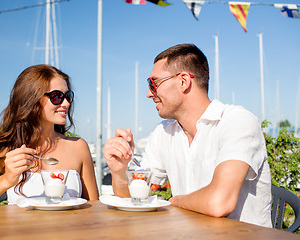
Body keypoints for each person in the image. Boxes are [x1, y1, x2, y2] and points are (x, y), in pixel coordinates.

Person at [103, 44, 271, 227]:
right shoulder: (164, 133)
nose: (148, 93)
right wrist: (119, 170)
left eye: (153, 83)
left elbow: (219, 203)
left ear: (183, 81)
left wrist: (174, 202)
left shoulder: (236, 121)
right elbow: (134, 198)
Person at [0, 64, 99, 207]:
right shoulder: (7, 150)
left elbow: (93, 208)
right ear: (32, 100)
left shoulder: (78, 147)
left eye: (68, 96)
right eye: (57, 96)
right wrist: (6, 180)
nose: (66, 103)